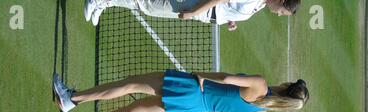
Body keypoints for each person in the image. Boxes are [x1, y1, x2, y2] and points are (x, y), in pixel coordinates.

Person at [52, 70, 309, 112]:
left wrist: (201, 76)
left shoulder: (261, 85)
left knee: (131, 85)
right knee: (132, 111)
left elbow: (226, 78)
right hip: (194, 108)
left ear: (287, 86)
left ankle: (71, 98)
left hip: (193, 88)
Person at [84, 0, 301, 31]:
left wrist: (229, 19)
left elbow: (231, 6)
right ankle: (99, 0)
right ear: (281, 1)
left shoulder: (261, 4)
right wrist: (194, 12)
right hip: (198, 5)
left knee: (148, 5)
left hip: (208, 13)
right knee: (149, 4)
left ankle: (105, 3)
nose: (279, 15)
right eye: (283, 12)